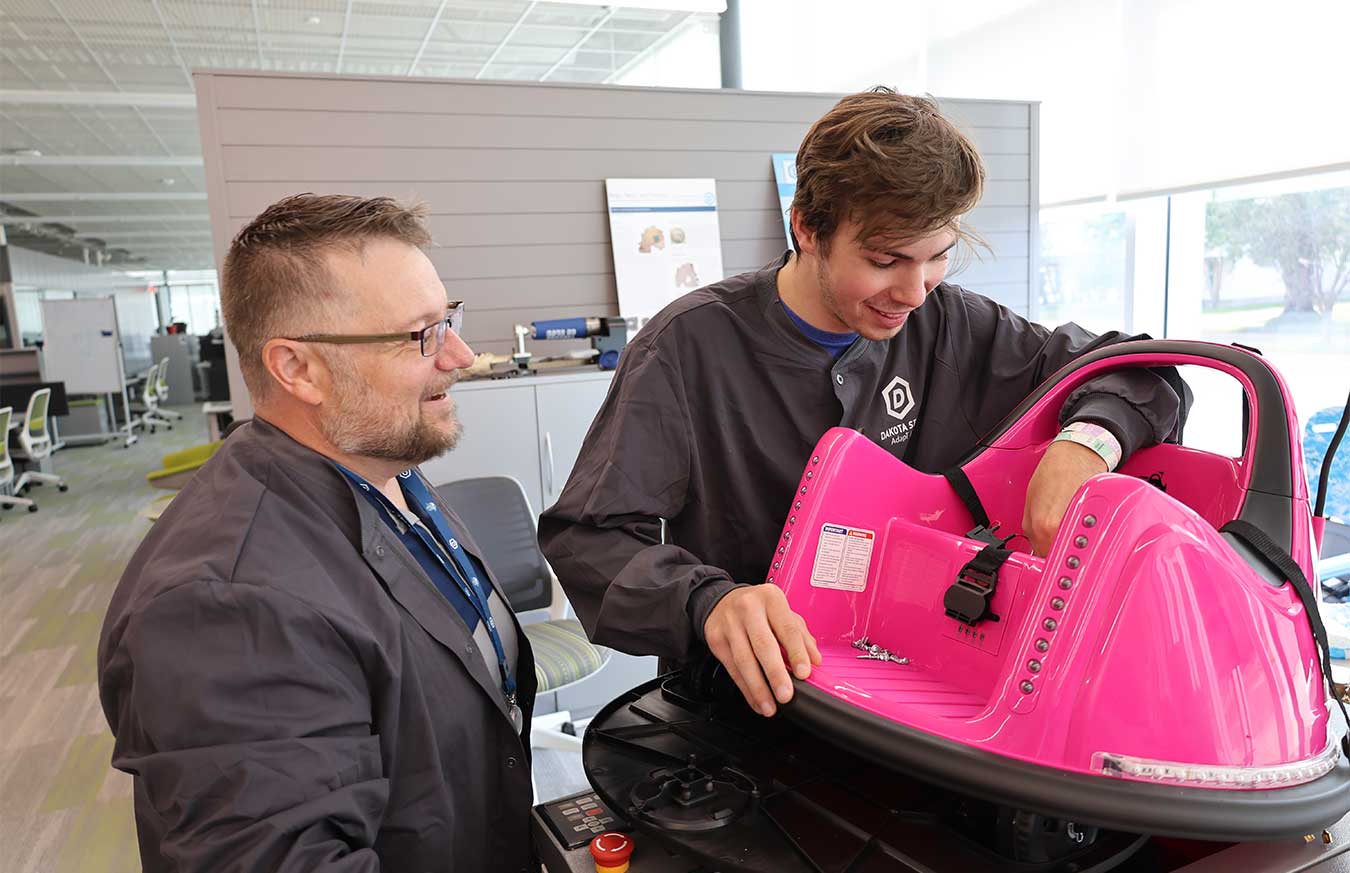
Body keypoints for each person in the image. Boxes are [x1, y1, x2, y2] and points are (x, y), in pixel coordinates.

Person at [539, 88, 1182, 721]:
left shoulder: (954, 325)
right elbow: (587, 539)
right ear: (807, 228)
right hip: (752, 705)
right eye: (884, 260)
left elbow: (1142, 371)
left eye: (938, 257)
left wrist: (1084, 445)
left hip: (917, 698)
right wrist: (708, 603)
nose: (912, 291)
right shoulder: (688, 345)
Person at [98, 194, 537, 872]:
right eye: (419, 334)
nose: (461, 354)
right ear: (297, 367)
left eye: (448, 318)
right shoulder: (225, 605)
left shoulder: (385, 471)